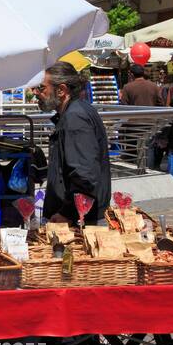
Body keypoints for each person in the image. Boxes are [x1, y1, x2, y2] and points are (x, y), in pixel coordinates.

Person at [37, 61, 111, 225]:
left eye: (42, 88)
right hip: (77, 217)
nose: (36, 92)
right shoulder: (75, 112)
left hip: (79, 221)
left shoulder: (75, 117)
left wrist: (67, 213)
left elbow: (84, 175)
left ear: (61, 90)